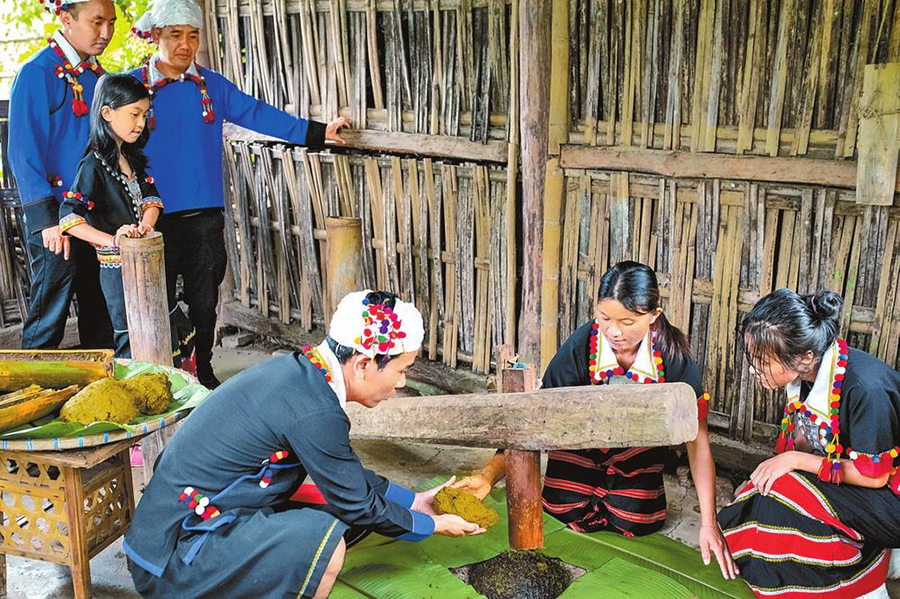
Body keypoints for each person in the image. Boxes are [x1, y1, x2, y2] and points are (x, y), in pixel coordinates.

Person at [124, 290, 485, 598]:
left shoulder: (303, 376)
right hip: (172, 558)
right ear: (363, 364)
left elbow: (342, 472)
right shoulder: (315, 409)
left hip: (170, 538)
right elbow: (357, 502)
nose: (402, 382)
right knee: (324, 542)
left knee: (343, 510)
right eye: (401, 369)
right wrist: (431, 526)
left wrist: (415, 502)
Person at [454, 261, 738, 579]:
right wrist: (487, 475)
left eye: (628, 321)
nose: (614, 331)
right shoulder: (579, 348)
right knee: (563, 508)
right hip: (578, 446)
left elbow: (697, 442)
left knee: (638, 520)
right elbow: (530, 424)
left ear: (654, 316)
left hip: (637, 452)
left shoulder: (674, 358)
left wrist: (709, 523)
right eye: (604, 318)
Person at [127, 0, 351, 389]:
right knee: (156, 300)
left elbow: (258, 113)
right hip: (152, 216)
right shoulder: (134, 87)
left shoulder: (211, 86)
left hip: (205, 215)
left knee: (204, 301)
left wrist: (317, 132)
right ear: (156, 36)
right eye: (176, 35)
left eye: (193, 35)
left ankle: (205, 367)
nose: (185, 44)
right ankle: (162, 371)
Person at [717, 289, 900, 598]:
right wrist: (762, 479)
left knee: (787, 489)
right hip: (865, 491)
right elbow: (805, 442)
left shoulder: (865, 389)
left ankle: (862, 576)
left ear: (804, 357)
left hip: (890, 498)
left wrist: (794, 462)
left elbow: (876, 475)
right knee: (761, 493)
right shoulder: (807, 376)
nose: (754, 369)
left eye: (762, 361)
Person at [8, 0, 116, 350]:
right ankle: (26, 395)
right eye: (97, 22)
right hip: (56, 215)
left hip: (94, 214)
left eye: (111, 23)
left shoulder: (98, 76)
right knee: (49, 310)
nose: (106, 33)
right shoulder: (36, 74)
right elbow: (22, 153)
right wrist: (46, 221)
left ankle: (97, 395)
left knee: (101, 308)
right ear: (66, 18)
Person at [58, 74, 162, 358]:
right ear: (107, 113)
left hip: (144, 262)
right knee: (128, 334)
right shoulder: (93, 165)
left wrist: (145, 226)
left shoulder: (131, 158)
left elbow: (152, 200)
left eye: (144, 114)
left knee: (153, 329)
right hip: (117, 271)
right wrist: (114, 241)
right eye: (134, 114)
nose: (141, 122)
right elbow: (69, 217)